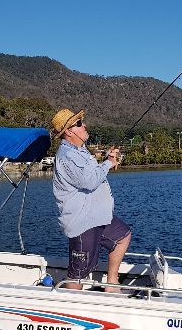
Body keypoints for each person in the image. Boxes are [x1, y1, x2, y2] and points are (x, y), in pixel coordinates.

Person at [51, 107, 131, 292]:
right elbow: (89, 181)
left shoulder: (81, 151)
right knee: (78, 273)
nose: (84, 125)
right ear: (69, 131)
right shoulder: (66, 156)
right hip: (83, 222)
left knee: (123, 236)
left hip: (99, 217)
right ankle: (71, 311)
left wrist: (107, 159)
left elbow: (90, 173)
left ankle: (111, 283)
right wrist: (109, 163)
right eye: (79, 123)